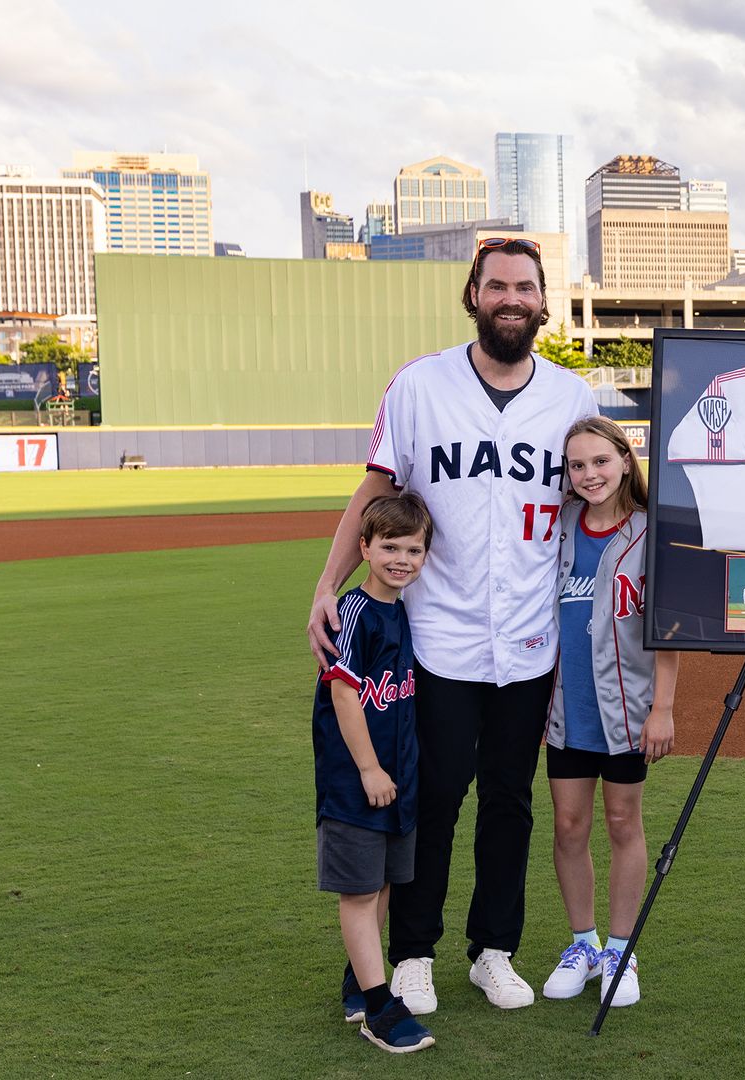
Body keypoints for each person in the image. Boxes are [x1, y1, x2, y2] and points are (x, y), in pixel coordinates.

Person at [307, 237, 599, 1016]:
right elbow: (374, 489)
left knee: (510, 799)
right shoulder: (419, 385)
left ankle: (494, 949)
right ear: (473, 294)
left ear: (543, 302)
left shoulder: (572, 398)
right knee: (433, 797)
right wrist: (327, 584)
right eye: (496, 284)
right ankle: (411, 953)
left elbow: (602, 505)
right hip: (438, 635)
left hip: (531, 640)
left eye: (525, 287)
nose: (511, 298)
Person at [539, 417, 678, 1009]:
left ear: (626, 460)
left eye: (600, 461)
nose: (589, 474)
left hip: (626, 709)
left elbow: (669, 630)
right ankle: (582, 943)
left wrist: (663, 709)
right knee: (569, 827)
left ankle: (621, 950)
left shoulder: (652, 532)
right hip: (566, 708)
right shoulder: (558, 526)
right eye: (577, 465)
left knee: (623, 824)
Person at [314, 492, 434, 1053]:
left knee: (384, 881)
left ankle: (359, 979)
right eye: (389, 546)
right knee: (361, 891)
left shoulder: (404, 609)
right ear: (364, 547)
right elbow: (343, 695)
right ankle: (381, 1007)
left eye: (414, 549)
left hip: (398, 777)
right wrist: (367, 768)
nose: (401, 559)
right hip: (358, 779)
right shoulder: (355, 612)